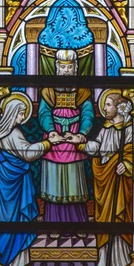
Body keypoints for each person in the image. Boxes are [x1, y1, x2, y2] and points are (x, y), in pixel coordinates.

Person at [0, 93, 54, 266]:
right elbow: (28, 154)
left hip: (8, 181)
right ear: (12, 113)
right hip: (14, 183)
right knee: (15, 219)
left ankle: (17, 261)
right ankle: (8, 261)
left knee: (14, 220)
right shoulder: (13, 133)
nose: (23, 117)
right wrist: (48, 143)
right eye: (21, 114)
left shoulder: (2, 132)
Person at [38, 49, 94, 232]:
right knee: (54, 183)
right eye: (63, 67)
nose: (66, 71)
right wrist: (52, 131)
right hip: (54, 140)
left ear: (75, 68)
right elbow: (44, 113)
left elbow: (88, 114)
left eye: (70, 67)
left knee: (74, 183)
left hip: (74, 140)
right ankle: (52, 226)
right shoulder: (47, 91)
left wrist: (82, 134)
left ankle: (78, 225)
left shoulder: (83, 91)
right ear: (57, 68)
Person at [79, 91, 133, 266]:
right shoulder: (106, 127)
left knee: (120, 217)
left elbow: (132, 152)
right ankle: (103, 260)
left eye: (109, 104)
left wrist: (126, 164)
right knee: (103, 220)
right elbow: (97, 147)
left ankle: (123, 261)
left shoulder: (129, 128)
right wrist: (82, 144)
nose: (105, 108)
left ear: (119, 107)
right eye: (105, 104)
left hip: (121, 180)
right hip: (105, 180)